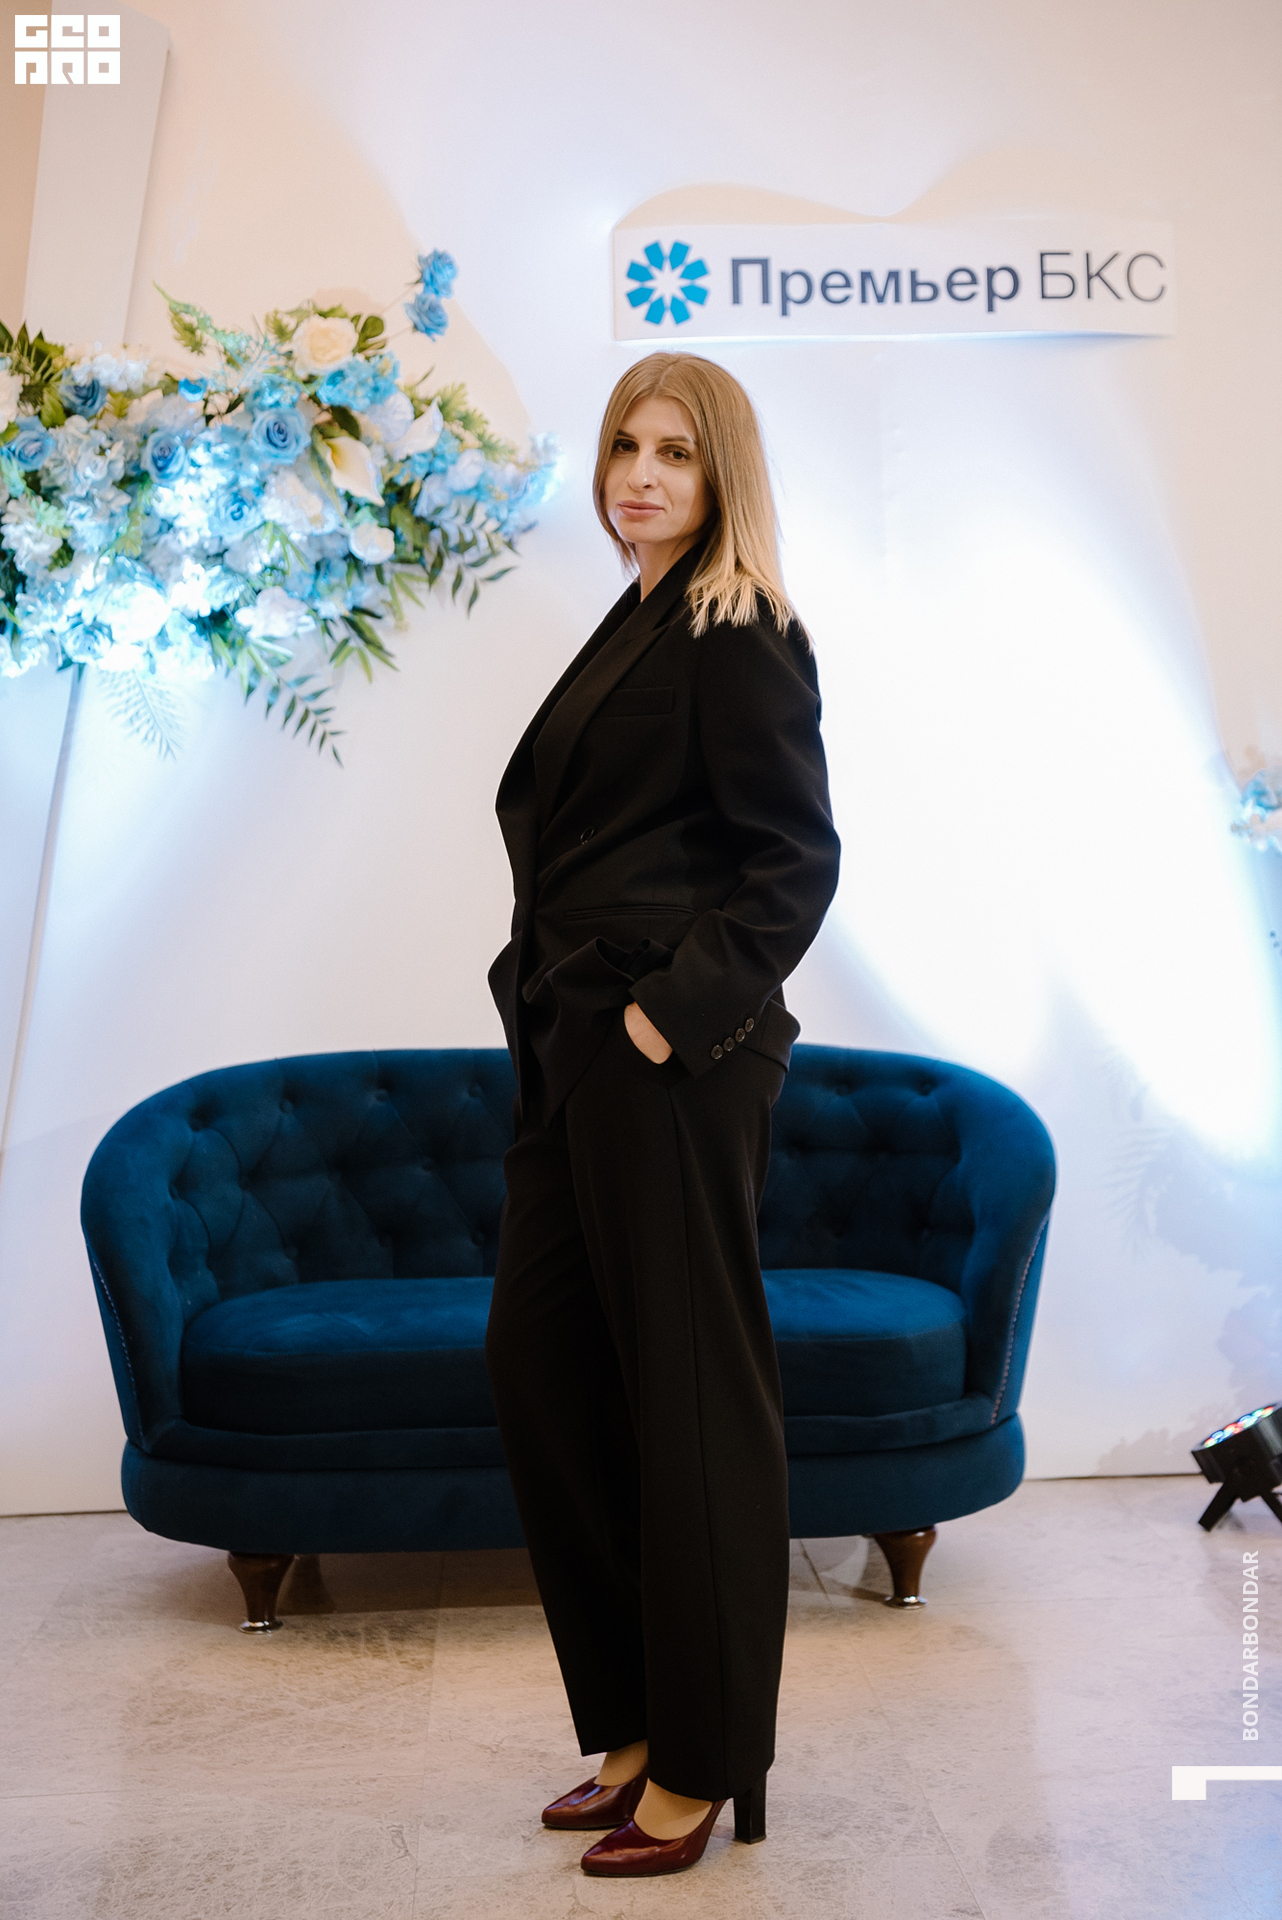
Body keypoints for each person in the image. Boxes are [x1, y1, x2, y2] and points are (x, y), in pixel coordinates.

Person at [484, 351, 840, 1879]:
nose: (639, 474)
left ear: (720, 475)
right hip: (569, 1053)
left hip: (669, 1059)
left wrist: (661, 1019)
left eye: (675, 453)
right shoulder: (633, 617)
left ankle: (701, 1762)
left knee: (692, 1407)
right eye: (626, 445)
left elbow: (793, 860)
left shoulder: (736, 625)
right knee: (544, 1369)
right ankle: (631, 1726)